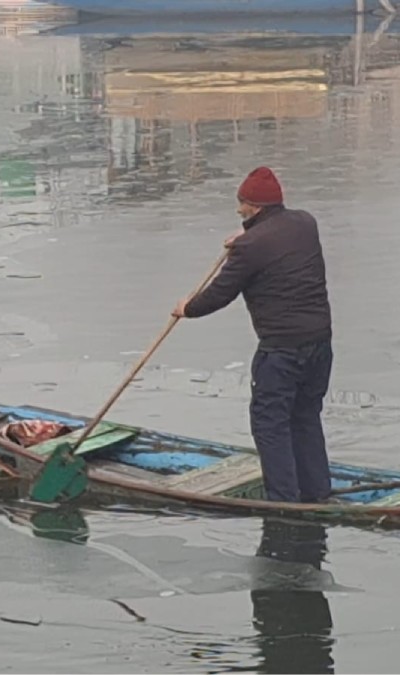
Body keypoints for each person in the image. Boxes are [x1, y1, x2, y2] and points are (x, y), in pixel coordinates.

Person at [172, 166, 333, 503]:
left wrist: (187, 308)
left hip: (281, 350)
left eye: (242, 204)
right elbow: (271, 238)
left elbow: (219, 294)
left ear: (255, 207)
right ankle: (317, 493)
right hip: (319, 343)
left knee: (269, 423)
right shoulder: (305, 223)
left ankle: (284, 501)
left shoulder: (252, 247)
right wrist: (245, 235)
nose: (238, 209)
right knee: (305, 416)